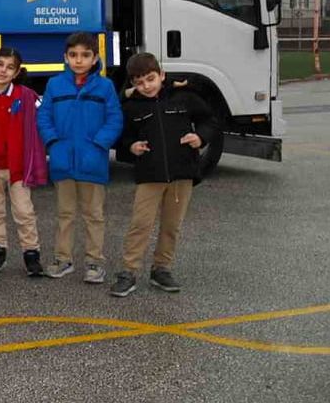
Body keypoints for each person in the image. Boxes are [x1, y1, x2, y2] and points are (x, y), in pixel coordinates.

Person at [110, 52, 216, 297]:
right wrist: (130, 147)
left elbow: (209, 121)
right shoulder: (131, 107)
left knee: (171, 226)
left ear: (162, 75)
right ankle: (129, 272)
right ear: (133, 84)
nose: (146, 86)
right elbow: (123, 136)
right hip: (150, 174)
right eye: (139, 82)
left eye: (150, 79)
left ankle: (162, 269)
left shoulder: (184, 98)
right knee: (140, 225)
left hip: (182, 174)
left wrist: (200, 137)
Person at [37, 32, 123, 284]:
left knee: (94, 215)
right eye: (73, 55)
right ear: (65, 57)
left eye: (85, 55)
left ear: (95, 57)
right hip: (63, 161)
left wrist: (99, 144)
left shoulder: (104, 87)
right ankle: (63, 259)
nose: (79, 60)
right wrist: (53, 141)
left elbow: (115, 118)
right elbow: (44, 116)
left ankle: (94, 262)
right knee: (65, 214)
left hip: (92, 162)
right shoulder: (55, 85)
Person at [0, 47, 48, 276]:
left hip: (18, 166)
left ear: (17, 72)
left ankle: (31, 254)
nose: (3, 70)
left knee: (24, 211)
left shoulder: (26, 95)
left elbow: (41, 123)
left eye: (10, 67)